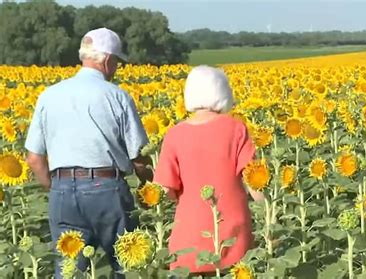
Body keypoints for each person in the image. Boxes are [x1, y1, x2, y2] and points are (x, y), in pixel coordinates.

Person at [25, 27, 153, 278]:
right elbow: (138, 155)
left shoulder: (49, 96)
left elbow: (34, 158)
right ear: (107, 60)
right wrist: (148, 187)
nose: (116, 68)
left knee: (69, 268)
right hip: (106, 189)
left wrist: (56, 189)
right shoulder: (117, 97)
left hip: (61, 190)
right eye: (116, 61)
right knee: (127, 263)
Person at [153, 65, 264, 276]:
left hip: (188, 235)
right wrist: (270, 216)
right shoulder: (236, 128)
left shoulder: (174, 135)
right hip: (233, 233)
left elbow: (164, 190)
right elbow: (255, 181)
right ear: (223, 92)